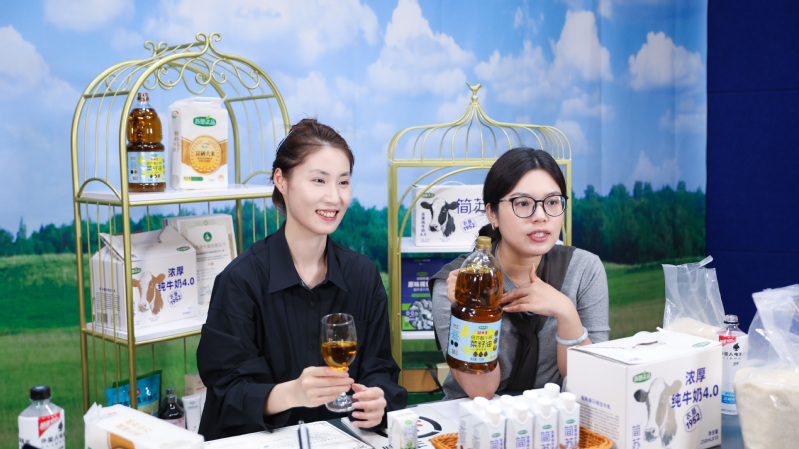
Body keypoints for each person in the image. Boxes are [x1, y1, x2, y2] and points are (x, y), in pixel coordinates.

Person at [197, 118, 407, 440]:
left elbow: (380, 368)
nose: (334, 198)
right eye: (319, 180)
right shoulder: (240, 281)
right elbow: (227, 392)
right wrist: (292, 393)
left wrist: (379, 400)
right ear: (281, 180)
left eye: (343, 182)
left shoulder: (363, 276)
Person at [430, 147, 610, 399]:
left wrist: (566, 312)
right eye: (523, 203)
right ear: (492, 213)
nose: (541, 216)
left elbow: (591, 382)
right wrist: (473, 308)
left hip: (555, 416)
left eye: (552, 202)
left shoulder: (584, 269)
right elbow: (481, 390)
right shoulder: (458, 282)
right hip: (474, 416)